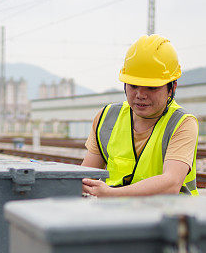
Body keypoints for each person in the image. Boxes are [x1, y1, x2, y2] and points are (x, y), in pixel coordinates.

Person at [81, 34, 199, 197]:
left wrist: (111, 194)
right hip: (118, 216)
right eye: (134, 85)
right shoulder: (107, 118)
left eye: (152, 87)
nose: (140, 94)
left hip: (170, 217)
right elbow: (86, 176)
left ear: (171, 88)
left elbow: (171, 183)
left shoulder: (182, 123)